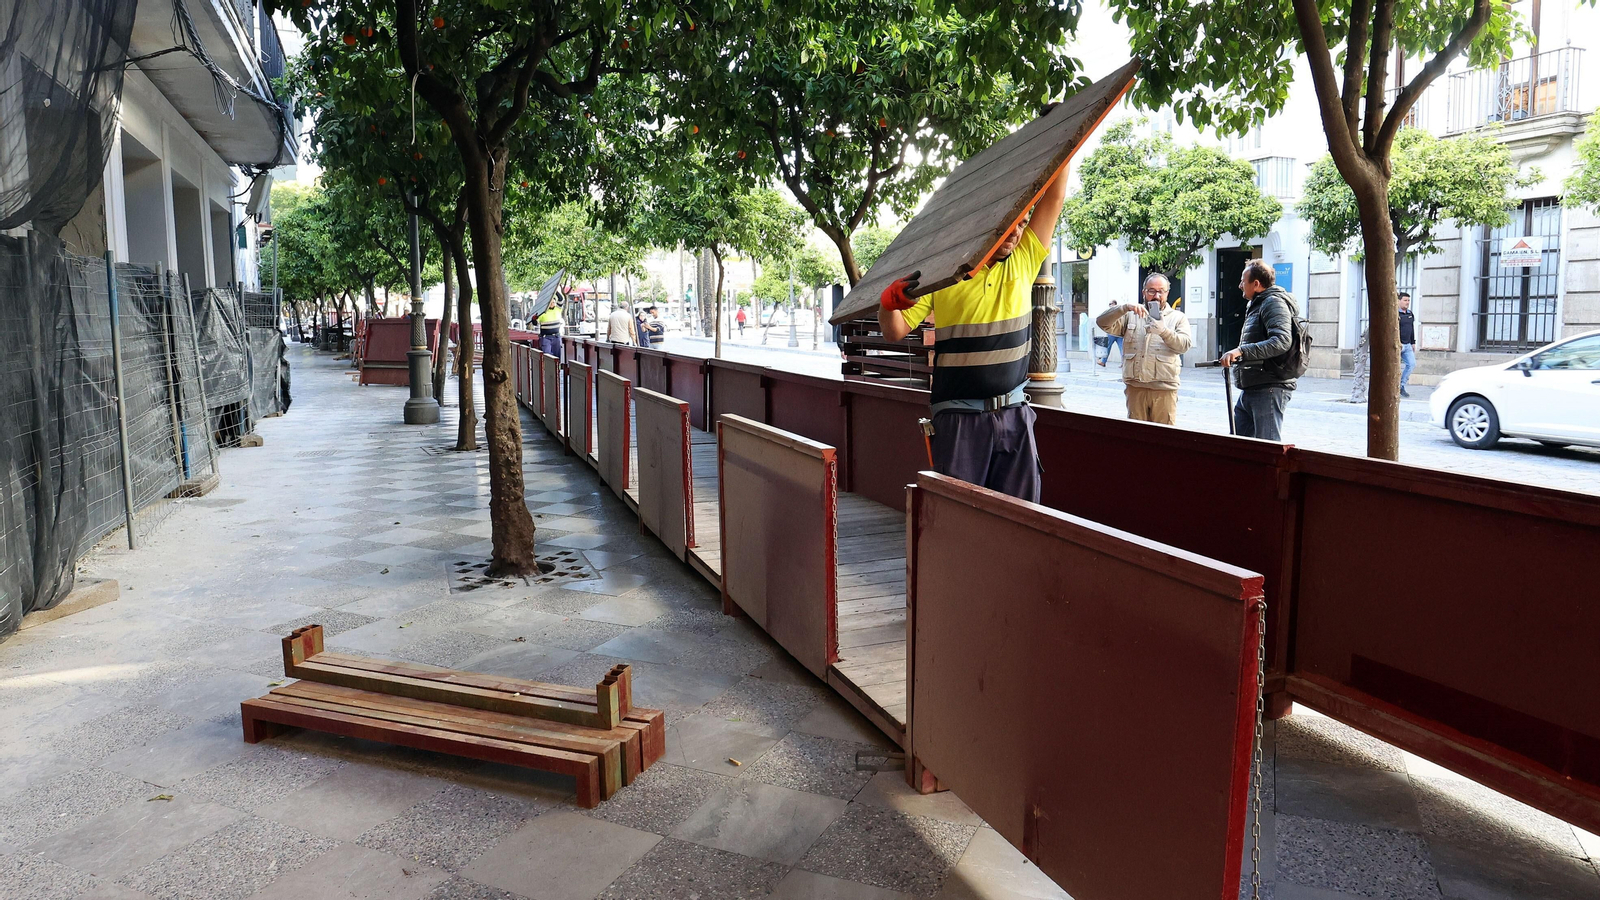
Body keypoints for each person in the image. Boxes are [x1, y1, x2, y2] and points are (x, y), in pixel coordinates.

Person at [876, 170, 1068, 504]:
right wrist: (888, 304)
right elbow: (893, 330)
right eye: (1011, 223)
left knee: (1023, 522)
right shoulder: (943, 274)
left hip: (1014, 415)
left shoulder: (1022, 259)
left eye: (1023, 224)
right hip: (959, 419)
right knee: (958, 520)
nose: (1016, 233)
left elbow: (1054, 198)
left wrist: (1063, 119)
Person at [1095, 273, 1192, 425]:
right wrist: (1124, 307)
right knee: (1137, 437)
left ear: (1167, 293)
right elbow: (1102, 322)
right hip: (1135, 387)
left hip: (1164, 388)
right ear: (1144, 292)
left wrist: (1164, 331)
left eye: (1161, 291)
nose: (1156, 296)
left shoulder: (1178, 317)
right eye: (1151, 291)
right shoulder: (1131, 315)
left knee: (1163, 438)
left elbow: (1184, 345)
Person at [1220, 259, 1297, 440]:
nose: (1239, 286)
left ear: (1256, 284)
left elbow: (1281, 340)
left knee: (1266, 448)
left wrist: (1241, 351)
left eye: (1242, 281)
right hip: (1253, 385)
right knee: (1241, 445)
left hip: (1269, 386)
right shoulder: (1257, 303)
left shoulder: (1273, 302)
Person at [1398, 291, 1417, 398]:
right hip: (1398, 345)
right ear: (1399, 301)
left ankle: (1401, 386)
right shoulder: (1396, 314)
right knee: (1394, 367)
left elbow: (1411, 329)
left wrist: (1413, 342)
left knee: (1411, 364)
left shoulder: (1410, 313)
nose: (1407, 302)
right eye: (1405, 300)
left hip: (1408, 345)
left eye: (1408, 300)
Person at [1096, 299, 1124, 367]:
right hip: (1120, 334)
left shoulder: (1112, 313)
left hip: (1112, 333)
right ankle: (1124, 363)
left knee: (1107, 347)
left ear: (1114, 304)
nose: (1110, 305)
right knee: (1122, 349)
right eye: (1109, 304)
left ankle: (1103, 361)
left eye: (1111, 304)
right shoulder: (1121, 312)